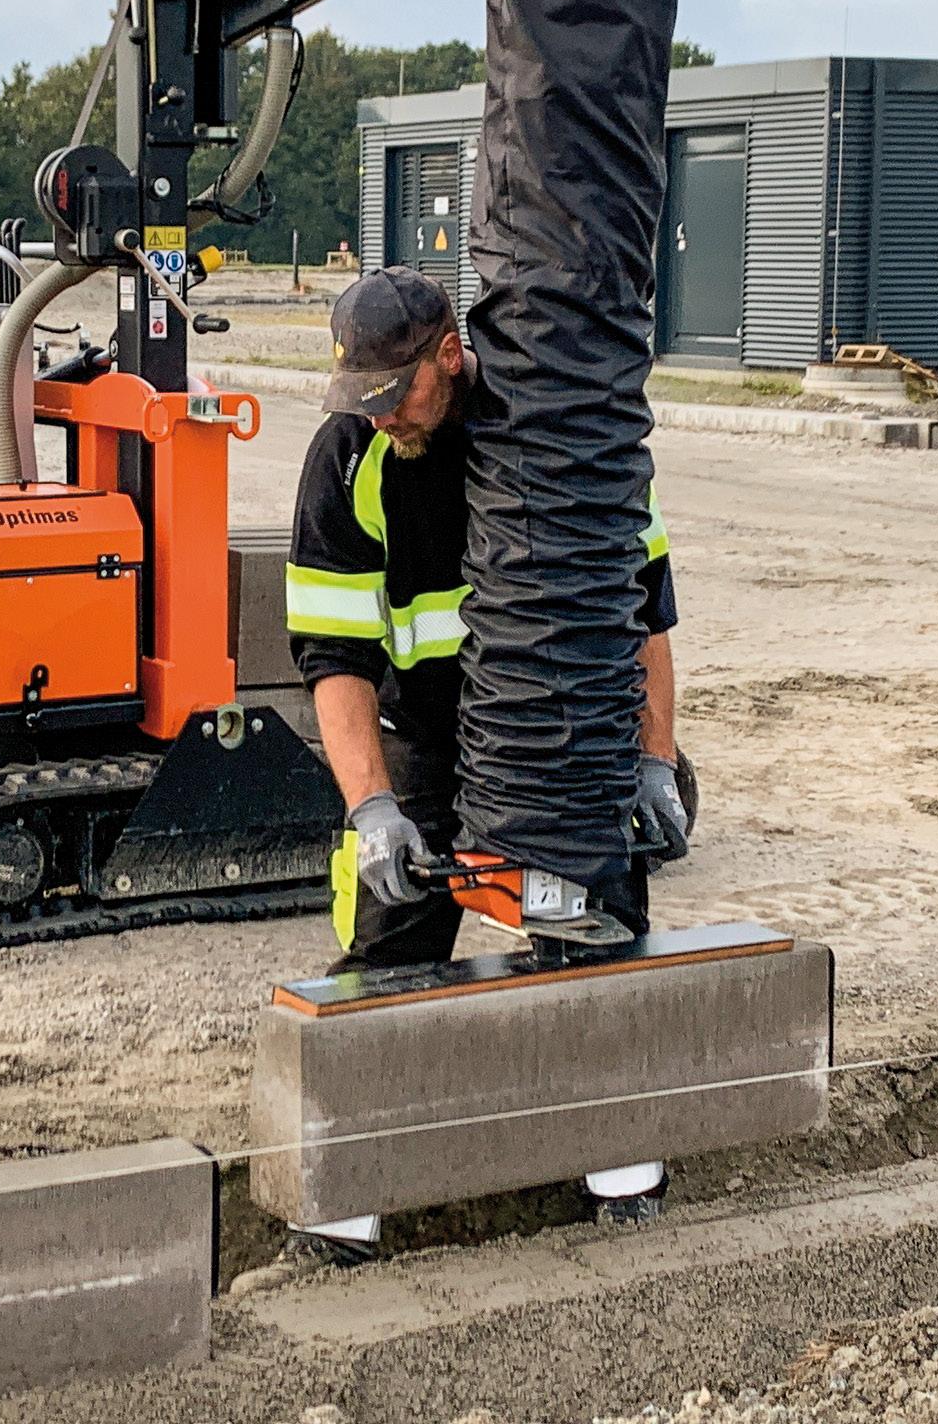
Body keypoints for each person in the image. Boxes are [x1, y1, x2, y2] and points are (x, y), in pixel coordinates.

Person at [242, 266, 688, 1293]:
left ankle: (623, 1173)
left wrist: (652, 763)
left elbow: (643, 609)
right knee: (389, 944)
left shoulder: (557, 432)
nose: (377, 414)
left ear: (449, 355)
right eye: (359, 394)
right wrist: (372, 807)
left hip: (563, 730)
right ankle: (344, 1204)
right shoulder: (348, 456)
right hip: (423, 736)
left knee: (595, 923)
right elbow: (334, 657)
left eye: (394, 392)